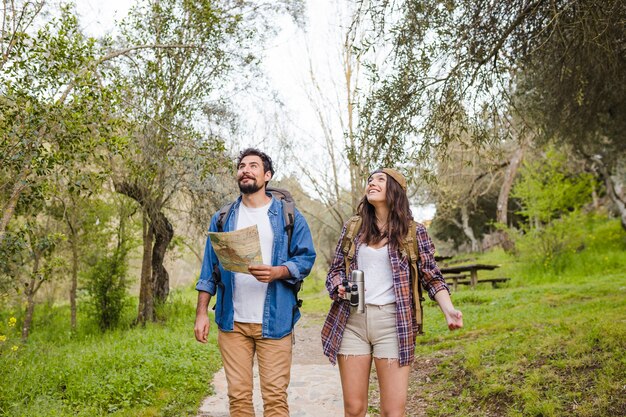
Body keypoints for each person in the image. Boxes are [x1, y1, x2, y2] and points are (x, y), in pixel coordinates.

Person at [321, 168, 463, 417]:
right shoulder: (353, 228)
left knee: (393, 412)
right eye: (369, 180)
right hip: (353, 322)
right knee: (354, 409)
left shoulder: (414, 232)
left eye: (380, 179)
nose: (372, 183)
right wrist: (339, 286)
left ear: (395, 190)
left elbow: (432, 276)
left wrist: (448, 310)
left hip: (393, 325)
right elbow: (334, 271)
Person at [194, 148, 316, 417]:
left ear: (267, 175)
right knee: (238, 398)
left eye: (253, 166)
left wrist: (279, 271)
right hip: (232, 322)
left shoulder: (288, 216)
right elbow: (209, 270)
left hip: (276, 321)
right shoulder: (223, 218)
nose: (245, 170)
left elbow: (306, 258)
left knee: (274, 399)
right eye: (241, 166)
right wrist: (201, 313)